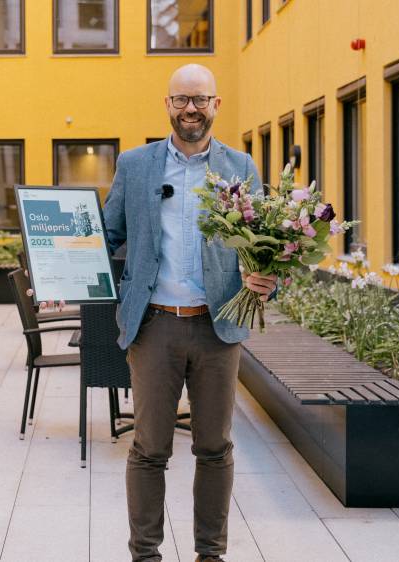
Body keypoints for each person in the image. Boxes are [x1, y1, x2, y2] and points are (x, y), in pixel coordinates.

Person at [103, 64, 277, 562]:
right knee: (149, 448)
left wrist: (268, 279)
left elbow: (265, 248)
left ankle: (209, 554)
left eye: (200, 99)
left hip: (216, 328)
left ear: (216, 105)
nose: (191, 109)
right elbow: (107, 235)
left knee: (215, 448)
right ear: (167, 105)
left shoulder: (240, 168)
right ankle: (146, 555)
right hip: (153, 326)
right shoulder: (135, 166)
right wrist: (68, 278)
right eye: (181, 100)